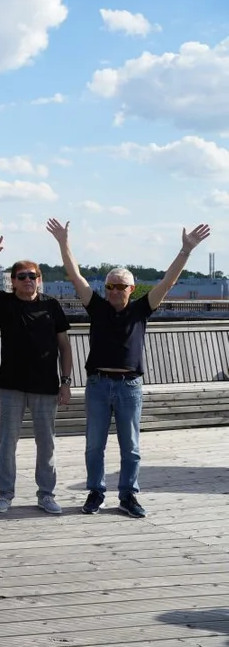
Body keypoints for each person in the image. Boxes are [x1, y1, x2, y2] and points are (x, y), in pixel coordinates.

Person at [48, 217, 210, 518]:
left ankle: (127, 496)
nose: (114, 290)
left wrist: (186, 251)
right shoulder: (96, 307)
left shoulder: (140, 309)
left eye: (120, 286)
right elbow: (75, 275)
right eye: (110, 285)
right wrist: (63, 242)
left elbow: (168, 282)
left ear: (131, 289)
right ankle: (96, 492)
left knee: (131, 447)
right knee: (94, 446)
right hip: (98, 384)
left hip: (129, 387)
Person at [0, 231, 72, 515]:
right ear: (13, 281)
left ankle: (46, 494)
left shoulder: (51, 305)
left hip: (46, 386)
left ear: (39, 279)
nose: (27, 280)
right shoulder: (5, 303)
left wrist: (65, 382)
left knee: (47, 444)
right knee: (7, 442)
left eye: (32, 276)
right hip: (12, 386)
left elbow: (64, 346)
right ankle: (5, 494)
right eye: (21, 276)